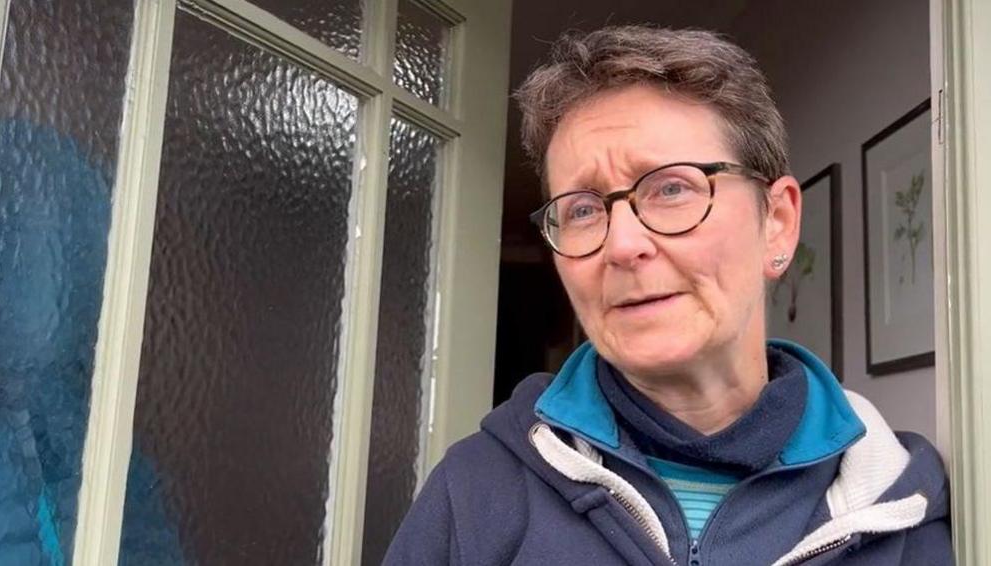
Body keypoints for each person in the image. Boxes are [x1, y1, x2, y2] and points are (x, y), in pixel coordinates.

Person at [383, 25, 951, 565]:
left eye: (672, 188)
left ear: (776, 221)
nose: (623, 244)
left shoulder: (904, 512)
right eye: (582, 209)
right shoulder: (476, 491)